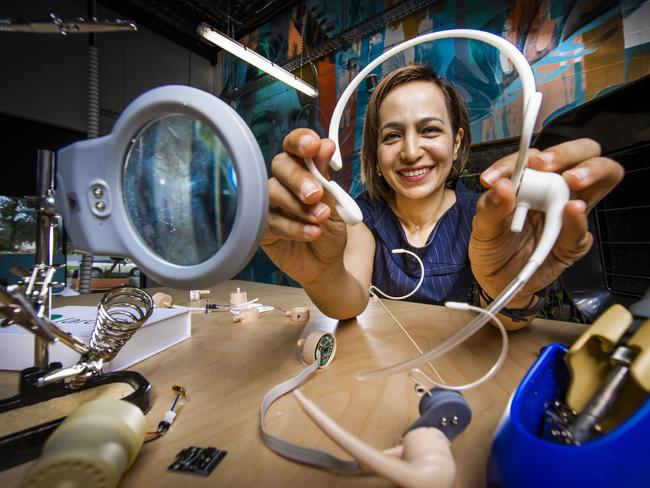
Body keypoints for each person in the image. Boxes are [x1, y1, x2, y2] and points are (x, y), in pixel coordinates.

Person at [261, 64, 623, 329]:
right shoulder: (361, 220)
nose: (411, 151)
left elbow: (509, 326)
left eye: (430, 130)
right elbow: (347, 302)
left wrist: (507, 293)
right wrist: (320, 276)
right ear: (375, 152)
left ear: (457, 143)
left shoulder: (485, 218)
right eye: (391, 136)